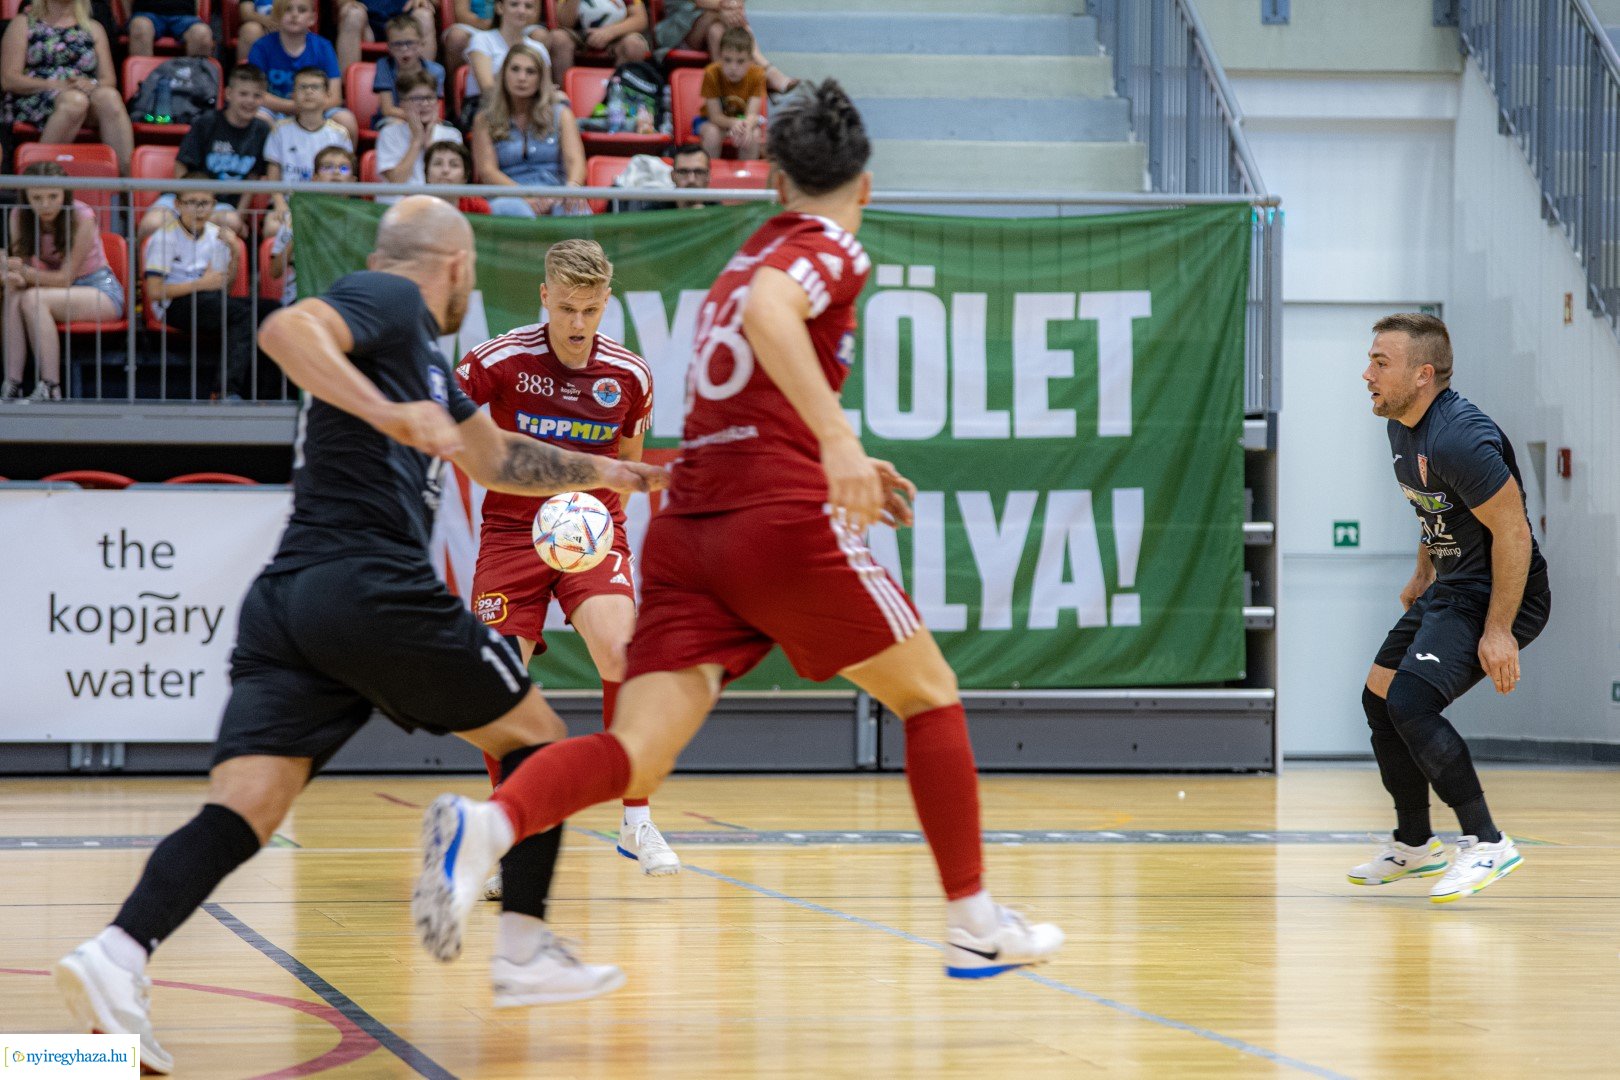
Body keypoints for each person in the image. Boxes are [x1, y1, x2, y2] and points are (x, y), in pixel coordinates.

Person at [408, 82, 1066, 983]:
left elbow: (751, 353)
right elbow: (770, 310)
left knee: (636, 748)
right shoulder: (822, 244)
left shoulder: (748, 244)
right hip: (775, 516)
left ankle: (488, 828)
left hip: (693, 527)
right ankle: (975, 922)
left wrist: (835, 450)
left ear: (775, 180)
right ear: (862, 186)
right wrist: (837, 442)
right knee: (930, 694)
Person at [54, 197, 669, 1074]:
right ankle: (523, 951)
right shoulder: (388, 300)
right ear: (452, 265)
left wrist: (614, 470)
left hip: (293, 604)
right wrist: (384, 417)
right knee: (538, 742)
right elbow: (288, 333)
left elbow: (497, 460)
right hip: (367, 579)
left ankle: (115, 956)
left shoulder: (426, 362)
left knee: (247, 805)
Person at [459, 239, 679, 901]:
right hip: (512, 530)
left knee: (624, 654)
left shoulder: (630, 376)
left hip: (593, 529)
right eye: (567, 309)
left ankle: (636, 819)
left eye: (590, 309)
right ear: (544, 298)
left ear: (605, 301)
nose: (578, 324)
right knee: (500, 677)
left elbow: (628, 462)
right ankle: (505, 836)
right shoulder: (495, 362)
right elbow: (452, 431)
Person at [1349, 313, 1552, 903]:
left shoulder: (1459, 436)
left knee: (1411, 701)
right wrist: (1422, 572)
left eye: (1380, 363)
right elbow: (1433, 505)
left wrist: (1500, 632)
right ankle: (1414, 845)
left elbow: (1513, 533)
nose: (1367, 374)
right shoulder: (1402, 426)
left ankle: (1487, 843)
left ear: (1423, 374)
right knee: (1379, 697)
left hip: (1500, 594)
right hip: (1453, 584)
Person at [2, 161, 122, 403]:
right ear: (26, 196)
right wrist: (7, 272)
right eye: (36, 197)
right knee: (14, 292)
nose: (45, 205)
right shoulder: (19, 215)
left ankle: (51, 386)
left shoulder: (82, 216)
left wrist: (21, 271)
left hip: (97, 289)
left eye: (52, 196)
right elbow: (20, 270)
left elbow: (64, 278)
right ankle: (11, 383)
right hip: (45, 288)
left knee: (33, 298)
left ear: (65, 194)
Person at [142, 187, 275, 401]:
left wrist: (235, 252)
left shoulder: (216, 235)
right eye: (192, 202)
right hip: (174, 305)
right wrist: (200, 284)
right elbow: (155, 291)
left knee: (271, 311)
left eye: (205, 203)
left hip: (207, 300)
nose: (199, 209)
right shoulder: (164, 237)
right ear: (177, 205)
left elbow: (223, 289)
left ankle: (267, 394)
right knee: (241, 315)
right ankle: (225, 392)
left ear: (213, 206)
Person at [138, 63, 272, 244]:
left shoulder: (262, 130)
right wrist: (186, 205)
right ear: (229, 94)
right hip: (185, 199)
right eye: (243, 94)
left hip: (220, 205)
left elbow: (252, 179)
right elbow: (181, 165)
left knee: (232, 223)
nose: (250, 101)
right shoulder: (206, 122)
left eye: (256, 96)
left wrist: (240, 216)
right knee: (150, 224)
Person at [1, 0, 133, 174]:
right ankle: (37, 181)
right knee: (74, 102)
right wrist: (56, 85)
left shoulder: (93, 27)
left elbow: (108, 79)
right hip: (35, 98)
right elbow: (9, 79)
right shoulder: (24, 23)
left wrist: (91, 84)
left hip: (84, 95)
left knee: (110, 98)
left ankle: (128, 190)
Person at [470, 46, 587, 218]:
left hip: (556, 192)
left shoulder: (561, 114)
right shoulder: (484, 119)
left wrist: (571, 188)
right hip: (507, 194)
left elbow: (575, 160)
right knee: (516, 210)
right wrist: (525, 196)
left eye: (530, 72)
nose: (521, 78)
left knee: (575, 208)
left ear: (540, 79)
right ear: (504, 75)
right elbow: (487, 171)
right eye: (515, 69)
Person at [248, 0, 358, 145]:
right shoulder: (261, 47)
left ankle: (346, 164)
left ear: (312, 18)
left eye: (301, 10)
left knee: (346, 120)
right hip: (274, 109)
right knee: (258, 118)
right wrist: (294, 107)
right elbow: (255, 93)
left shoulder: (323, 47)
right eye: (288, 9)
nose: (294, 15)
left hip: (317, 109)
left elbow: (336, 96)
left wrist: (308, 107)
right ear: (277, 15)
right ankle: (266, 167)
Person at [263, 64, 355, 230]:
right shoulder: (280, 130)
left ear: (328, 95)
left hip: (328, 205)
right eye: (303, 87)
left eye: (315, 87)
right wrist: (279, 203)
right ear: (293, 95)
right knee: (272, 227)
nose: (309, 92)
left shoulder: (339, 133)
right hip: (289, 205)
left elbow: (345, 176)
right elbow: (273, 175)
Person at [268, 144, 357, 307]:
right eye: (327, 167)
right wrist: (298, 235)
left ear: (352, 180)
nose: (336, 172)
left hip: (347, 300)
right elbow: (275, 271)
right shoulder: (294, 217)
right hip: (301, 300)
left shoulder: (360, 221)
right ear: (315, 178)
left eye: (343, 168)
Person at [652, 0, 792, 95]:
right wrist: (726, 6)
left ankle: (727, 96)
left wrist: (732, 5)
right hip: (679, 29)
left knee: (717, 30)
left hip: (717, 23)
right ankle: (766, 68)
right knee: (720, 17)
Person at [375, 68, 459, 203]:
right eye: (417, 98)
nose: (425, 104)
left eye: (429, 98)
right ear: (402, 104)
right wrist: (416, 140)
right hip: (399, 203)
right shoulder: (389, 133)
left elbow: (448, 179)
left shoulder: (452, 135)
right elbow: (396, 181)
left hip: (437, 202)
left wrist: (429, 144)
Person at [462, 0, 548, 107]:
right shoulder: (481, 40)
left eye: (528, 6)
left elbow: (546, 90)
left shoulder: (539, 48)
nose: (521, 10)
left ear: (534, 12)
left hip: (528, 110)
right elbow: (487, 88)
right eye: (514, 4)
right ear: (500, 7)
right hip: (486, 106)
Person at [697, 25, 764, 161]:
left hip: (741, 122)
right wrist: (735, 123)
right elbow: (715, 117)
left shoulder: (758, 74)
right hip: (713, 122)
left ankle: (746, 180)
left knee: (753, 134)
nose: (733, 67)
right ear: (720, 56)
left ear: (751, 60)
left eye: (740, 61)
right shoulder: (712, 73)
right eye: (727, 60)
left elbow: (752, 114)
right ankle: (707, 176)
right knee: (712, 134)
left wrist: (746, 126)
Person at [546, 0, 649, 85]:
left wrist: (609, 32)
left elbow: (640, 19)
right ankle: (562, 101)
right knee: (557, 39)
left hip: (618, 33)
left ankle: (622, 99)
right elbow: (563, 22)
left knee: (634, 45)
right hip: (578, 34)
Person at [371, 12, 445, 129]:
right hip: (393, 119)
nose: (404, 49)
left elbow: (437, 107)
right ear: (389, 47)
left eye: (410, 43)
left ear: (422, 44)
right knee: (396, 126)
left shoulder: (436, 70)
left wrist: (424, 120)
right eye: (397, 44)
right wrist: (417, 119)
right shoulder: (384, 66)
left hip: (426, 118)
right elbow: (387, 109)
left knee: (447, 130)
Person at [337, 0, 436, 71]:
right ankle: (347, 91)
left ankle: (425, 86)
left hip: (405, 24)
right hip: (367, 26)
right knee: (352, 14)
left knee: (424, 16)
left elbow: (437, 2)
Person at [425, 139, 491, 214]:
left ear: (465, 175)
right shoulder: (415, 207)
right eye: (438, 163)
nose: (445, 170)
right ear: (426, 173)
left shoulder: (477, 207)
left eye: (454, 165)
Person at [126, 0, 213, 57]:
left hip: (185, 15)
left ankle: (196, 84)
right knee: (140, 28)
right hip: (146, 13)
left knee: (202, 34)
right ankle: (142, 83)